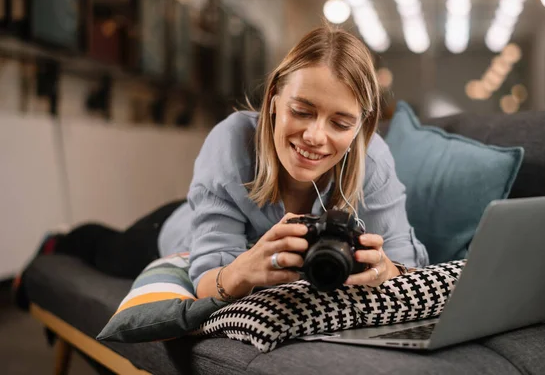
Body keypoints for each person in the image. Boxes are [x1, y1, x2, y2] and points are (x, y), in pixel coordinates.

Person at [14, 25, 429, 307]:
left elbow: (408, 268)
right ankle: (57, 243)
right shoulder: (231, 141)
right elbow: (206, 280)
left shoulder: (371, 158)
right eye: (302, 111)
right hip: (181, 230)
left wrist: (385, 269)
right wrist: (244, 269)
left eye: (340, 123)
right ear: (273, 103)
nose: (316, 137)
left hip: (220, 214)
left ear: (361, 126)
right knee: (107, 248)